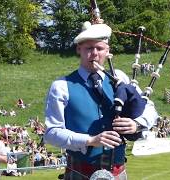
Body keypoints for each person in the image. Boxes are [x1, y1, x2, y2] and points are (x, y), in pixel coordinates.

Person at [43, 21, 157, 180]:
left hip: (117, 172)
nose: (95, 53)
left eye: (100, 48)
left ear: (107, 51)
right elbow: (51, 133)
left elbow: (149, 108)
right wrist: (90, 140)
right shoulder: (61, 86)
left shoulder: (119, 78)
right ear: (79, 49)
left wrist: (137, 124)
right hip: (80, 173)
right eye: (89, 48)